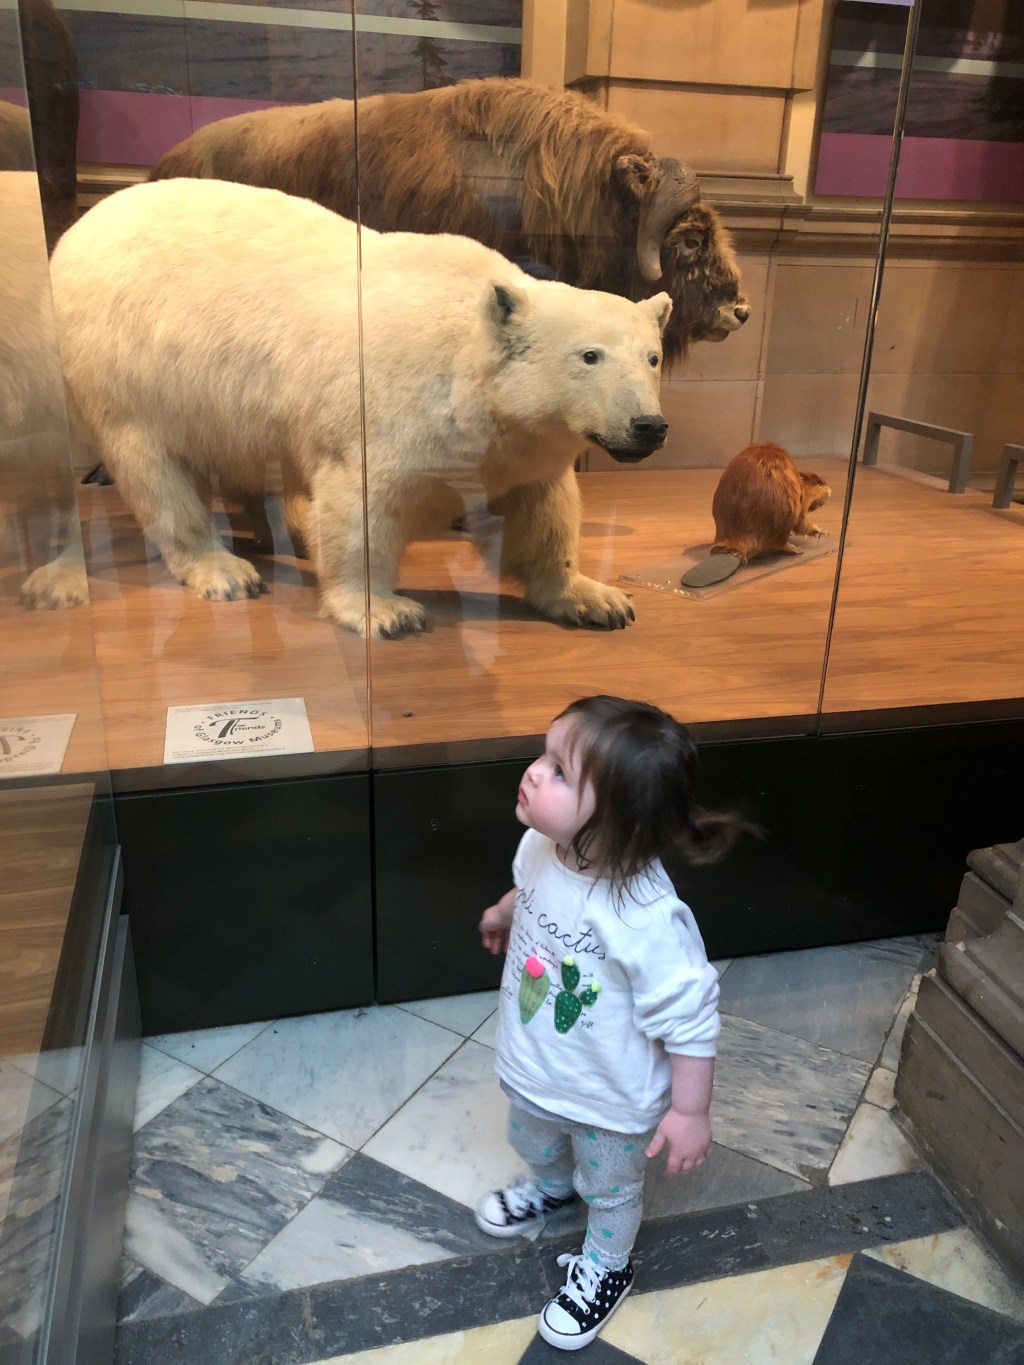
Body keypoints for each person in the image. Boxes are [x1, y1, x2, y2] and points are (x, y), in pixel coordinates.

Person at [476, 694, 751, 1351]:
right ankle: (550, 1187)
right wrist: (504, 910)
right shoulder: (542, 843)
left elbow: (690, 1019)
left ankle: (607, 1263)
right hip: (536, 1060)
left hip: (610, 1097)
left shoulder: (646, 917)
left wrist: (689, 1112)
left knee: (612, 1184)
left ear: (622, 822)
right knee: (533, 1135)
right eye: (545, 755)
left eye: (562, 771)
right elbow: (532, 888)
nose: (536, 771)